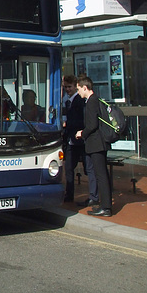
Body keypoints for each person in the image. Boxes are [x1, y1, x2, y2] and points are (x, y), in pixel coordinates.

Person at [75, 76, 112, 217]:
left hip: (96, 143)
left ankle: (106, 207)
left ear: (85, 88)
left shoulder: (91, 102)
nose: (78, 92)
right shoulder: (95, 99)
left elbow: (92, 125)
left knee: (101, 175)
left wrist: (81, 133)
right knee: (101, 174)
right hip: (99, 143)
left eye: (78, 89)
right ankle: (104, 205)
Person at [62, 75, 98, 205]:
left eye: (69, 87)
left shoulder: (80, 101)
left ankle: (94, 196)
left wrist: (68, 124)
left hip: (81, 139)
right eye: (65, 87)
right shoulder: (67, 101)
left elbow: (84, 120)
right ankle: (69, 194)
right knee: (69, 167)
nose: (67, 89)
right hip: (72, 140)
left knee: (89, 168)